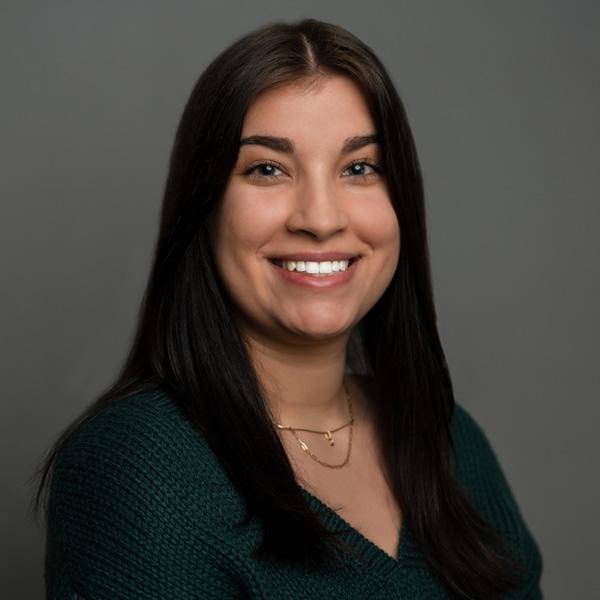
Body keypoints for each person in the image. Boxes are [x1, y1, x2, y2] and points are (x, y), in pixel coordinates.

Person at [31, 18, 543, 599]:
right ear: (204, 205)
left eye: (359, 168)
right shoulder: (138, 470)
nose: (320, 218)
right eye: (267, 169)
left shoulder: (448, 438)